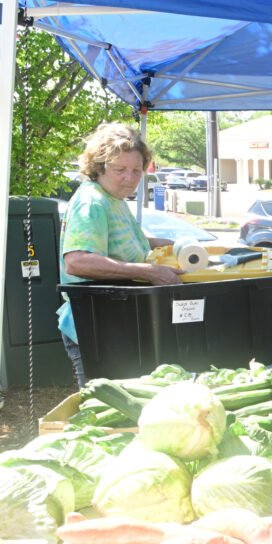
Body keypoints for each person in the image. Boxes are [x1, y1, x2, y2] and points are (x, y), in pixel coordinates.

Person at [58, 123, 182, 387]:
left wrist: (162, 245)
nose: (130, 177)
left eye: (137, 170)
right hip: (96, 329)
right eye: (120, 170)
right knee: (103, 406)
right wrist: (148, 272)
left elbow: (118, 240)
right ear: (99, 166)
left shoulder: (113, 198)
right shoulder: (92, 202)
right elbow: (77, 261)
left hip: (119, 326)